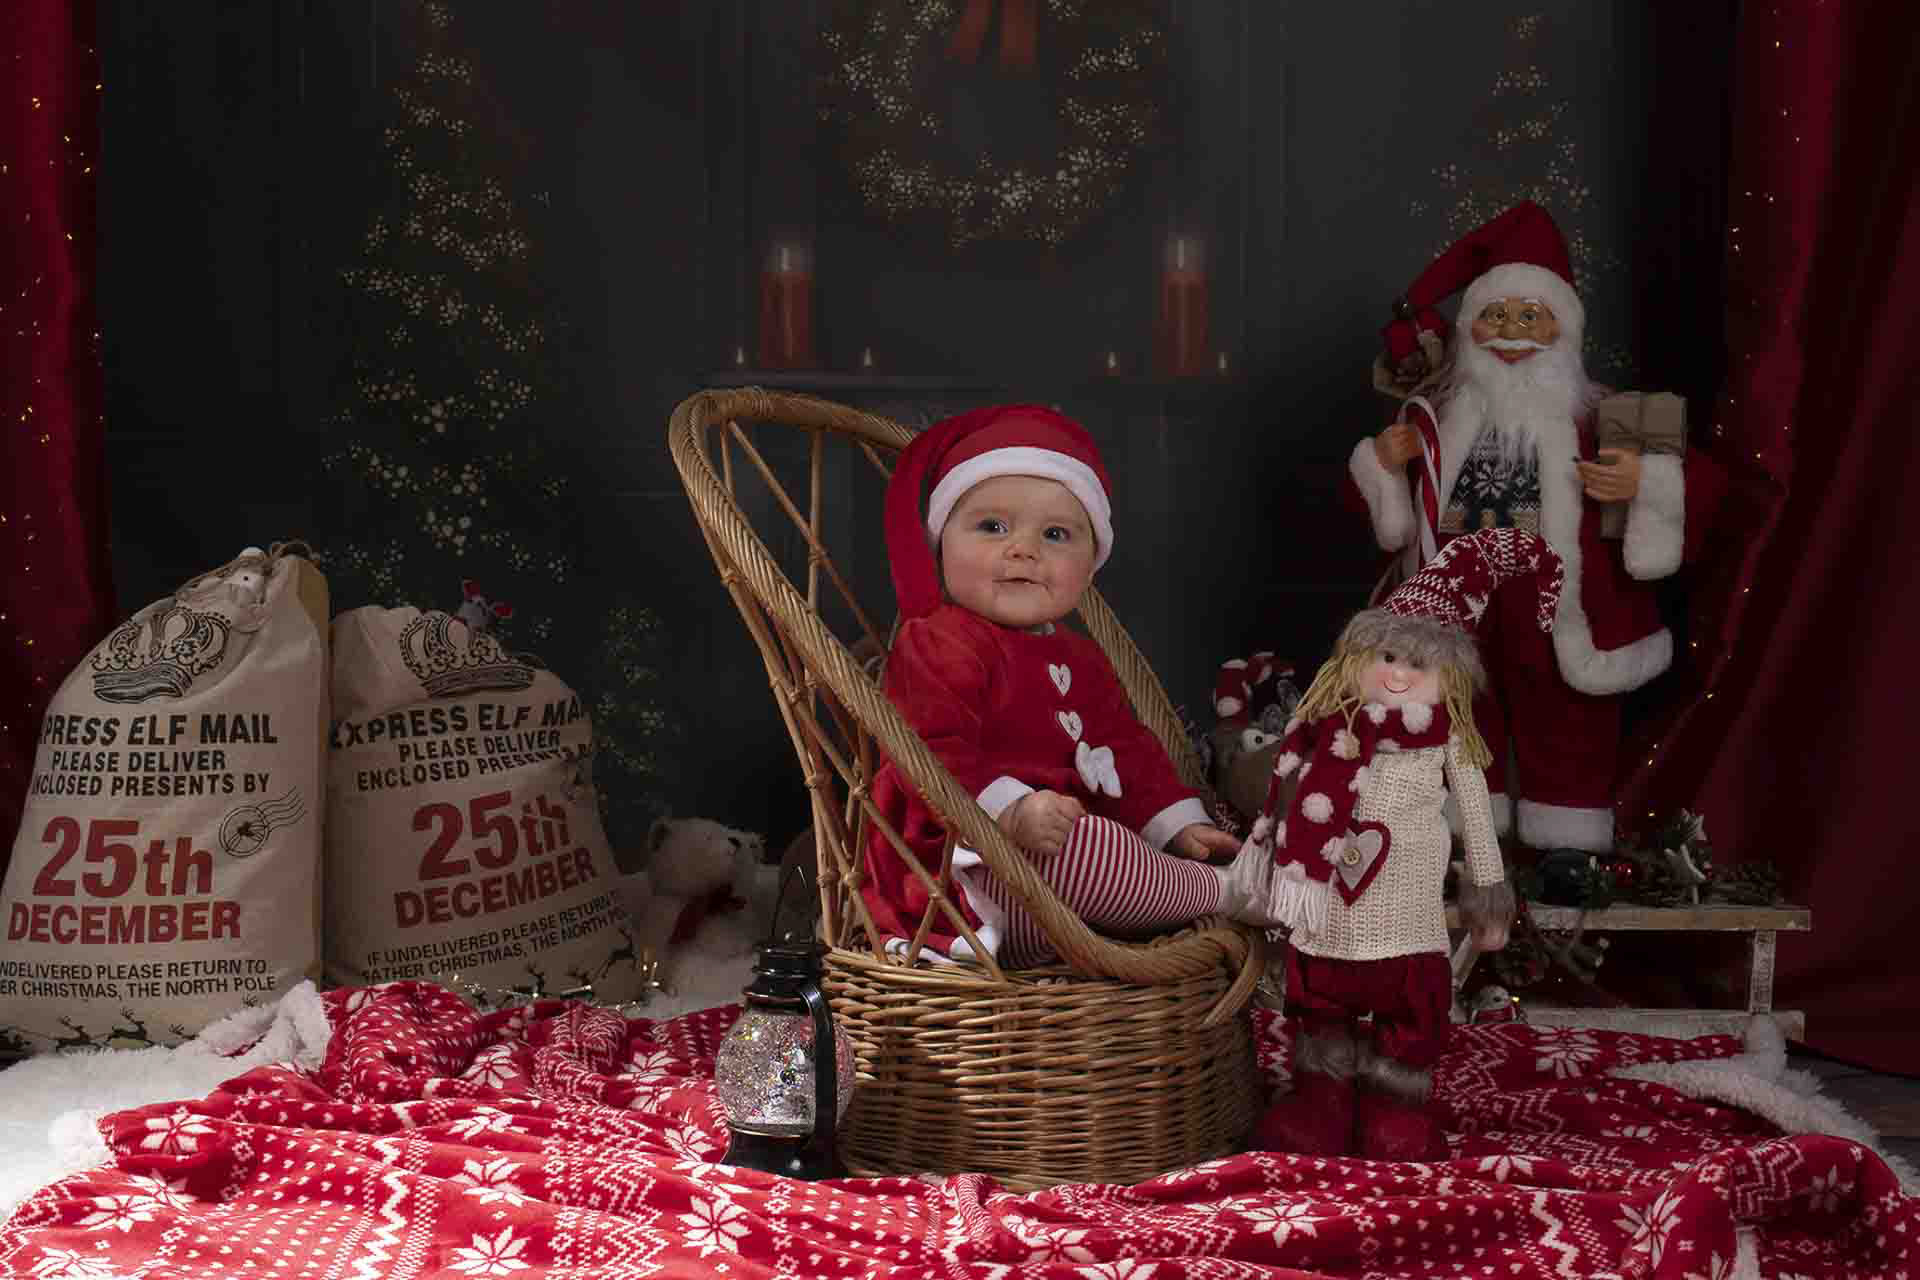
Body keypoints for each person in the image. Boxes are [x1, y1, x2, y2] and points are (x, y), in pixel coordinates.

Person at [1345, 202, 1724, 853]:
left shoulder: (1604, 414)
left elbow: (1705, 489)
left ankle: (1566, 844)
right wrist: (1381, 463)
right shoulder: (1434, 417)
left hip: (1555, 598)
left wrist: (1644, 481)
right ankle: (1460, 841)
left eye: (1530, 316)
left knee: (1567, 717)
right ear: (1469, 329)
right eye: (1494, 315)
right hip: (1459, 598)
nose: (1511, 332)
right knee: (1455, 712)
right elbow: (1389, 524)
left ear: (1564, 328)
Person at [862, 404, 1278, 966]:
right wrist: (1010, 814)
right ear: (942, 545)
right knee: (1090, 846)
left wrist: (1179, 827)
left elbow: (1127, 749)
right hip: (968, 878)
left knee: (1104, 843)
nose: (1023, 549)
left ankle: (1176, 882)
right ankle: (1232, 893)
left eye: (1055, 534)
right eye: (992, 526)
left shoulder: (1080, 656)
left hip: (1064, 883)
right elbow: (928, 753)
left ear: (1089, 570)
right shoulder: (940, 642)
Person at [1251, 527, 1558, 1160]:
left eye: (1418, 665)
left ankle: (1394, 1104)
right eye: (1387, 656)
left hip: (1408, 926)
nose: (1397, 674)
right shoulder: (1324, 730)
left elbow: (1477, 819)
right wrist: (1267, 869)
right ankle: (1322, 1099)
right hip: (1329, 921)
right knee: (1323, 1012)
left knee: (1408, 1019)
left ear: (1448, 679)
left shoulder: (1450, 741)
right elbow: (1286, 805)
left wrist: (1488, 901)